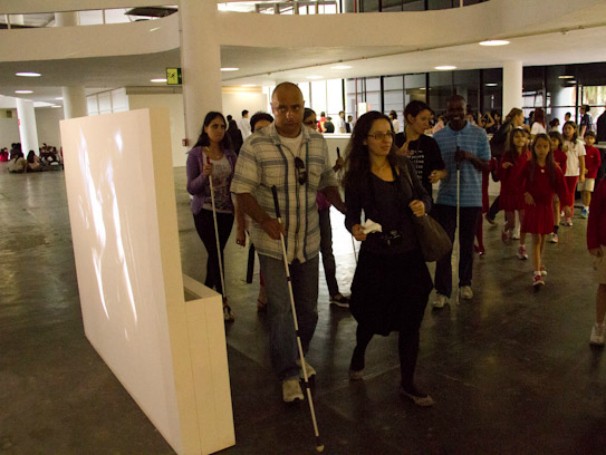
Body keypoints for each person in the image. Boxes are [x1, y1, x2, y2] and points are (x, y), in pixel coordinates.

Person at [231, 82, 345, 403]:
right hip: (273, 242)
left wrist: (343, 209)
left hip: (308, 239)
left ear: (303, 105)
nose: (289, 114)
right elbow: (242, 189)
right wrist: (264, 220)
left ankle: (297, 354)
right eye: (282, 108)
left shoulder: (317, 143)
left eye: (295, 107)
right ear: (273, 106)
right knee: (281, 310)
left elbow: (327, 182)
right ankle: (287, 373)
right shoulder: (255, 145)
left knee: (308, 310)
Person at [342, 111, 434, 406]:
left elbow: (424, 195)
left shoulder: (403, 165)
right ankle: (359, 352)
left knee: (411, 320)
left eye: (388, 133)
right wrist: (355, 228)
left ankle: (407, 381)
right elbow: (351, 215)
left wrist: (423, 205)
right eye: (378, 135)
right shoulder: (357, 175)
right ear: (364, 140)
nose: (386, 140)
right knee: (370, 317)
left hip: (409, 254)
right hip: (378, 256)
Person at [432, 95, 490, 308]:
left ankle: (465, 283)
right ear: (446, 112)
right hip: (446, 198)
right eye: (451, 109)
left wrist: (469, 156)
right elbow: (435, 166)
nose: (455, 113)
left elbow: (487, 166)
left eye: (460, 109)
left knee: (467, 244)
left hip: (471, 198)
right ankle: (442, 290)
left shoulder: (479, 134)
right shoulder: (439, 137)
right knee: (444, 245)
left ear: (467, 110)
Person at [186, 111, 240, 321]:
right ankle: (222, 300)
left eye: (222, 126)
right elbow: (191, 187)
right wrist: (204, 175)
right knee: (216, 253)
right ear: (206, 128)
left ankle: (206, 293)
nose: (219, 130)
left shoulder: (230, 155)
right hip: (205, 212)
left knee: (215, 254)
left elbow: (234, 184)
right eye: (214, 126)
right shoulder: (196, 154)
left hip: (226, 212)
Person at [303, 108, 350, 308]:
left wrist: (337, 168)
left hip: (322, 207)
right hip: (306, 210)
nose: (314, 126)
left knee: (327, 250)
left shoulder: (318, 146)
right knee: (309, 254)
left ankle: (334, 291)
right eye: (309, 122)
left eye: (315, 122)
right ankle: (307, 298)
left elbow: (323, 179)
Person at [520, 134, 569, 287]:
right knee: (536, 238)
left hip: (546, 207)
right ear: (533, 148)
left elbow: (562, 187)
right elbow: (518, 182)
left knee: (542, 236)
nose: (542, 150)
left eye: (545, 146)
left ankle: (538, 262)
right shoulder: (529, 166)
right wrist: (525, 193)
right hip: (534, 207)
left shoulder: (554, 168)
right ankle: (536, 273)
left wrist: (567, 204)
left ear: (550, 148)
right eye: (538, 146)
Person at [244, 111, 275, 313]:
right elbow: (240, 193)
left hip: (278, 213)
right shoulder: (248, 153)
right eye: (259, 130)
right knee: (265, 256)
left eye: (267, 129)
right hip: (256, 215)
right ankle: (265, 291)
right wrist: (241, 225)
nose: (263, 133)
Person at [394, 100, 446, 200]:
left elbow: (442, 170)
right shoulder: (395, 141)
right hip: (398, 201)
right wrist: (397, 157)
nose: (427, 124)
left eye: (429, 120)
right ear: (410, 118)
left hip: (423, 200)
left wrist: (438, 174)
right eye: (423, 119)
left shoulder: (430, 143)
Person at [486, 107, 525, 224]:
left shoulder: (511, 127)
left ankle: (502, 217)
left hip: (505, 159)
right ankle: (501, 217)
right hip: (503, 160)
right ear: (517, 116)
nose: (523, 119)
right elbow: (495, 140)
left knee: (507, 190)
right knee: (507, 190)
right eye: (522, 116)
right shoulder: (508, 127)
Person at [498, 128, 531, 260]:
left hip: (522, 192)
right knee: (511, 222)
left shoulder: (528, 155)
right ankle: (505, 229)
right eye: (516, 137)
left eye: (522, 137)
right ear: (512, 139)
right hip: (509, 191)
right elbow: (500, 175)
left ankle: (522, 247)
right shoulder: (507, 155)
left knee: (524, 221)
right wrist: (503, 167)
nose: (520, 140)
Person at [587, 178, 606, 345]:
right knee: (604, 286)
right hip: (604, 244)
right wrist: (592, 243)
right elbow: (594, 213)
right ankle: (599, 325)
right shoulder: (603, 184)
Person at [562, 120, 586, 226]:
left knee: (570, 194)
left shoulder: (579, 144)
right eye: (565, 128)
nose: (567, 130)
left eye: (569, 128)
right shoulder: (561, 142)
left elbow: (581, 160)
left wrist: (582, 173)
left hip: (573, 172)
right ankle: (560, 212)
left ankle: (569, 216)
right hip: (562, 173)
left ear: (574, 130)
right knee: (561, 193)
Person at [548, 131, 567, 243]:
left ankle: (555, 231)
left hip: (556, 186)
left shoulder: (562, 156)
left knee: (555, 206)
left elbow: (562, 172)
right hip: (546, 186)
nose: (552, 143)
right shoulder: (545, 154)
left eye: (554, 140)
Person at [578, 131, 602, 218]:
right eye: (587, 138)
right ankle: (584, 205)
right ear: (584, 139)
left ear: (594, 140)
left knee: (588, 191)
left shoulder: (595, 151)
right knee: (582, 191)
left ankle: (586, 208)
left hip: (591, 175)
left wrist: (589, 170)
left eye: (591, 138)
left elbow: (598, 163)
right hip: (581, 174)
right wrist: (582, 169)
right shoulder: (581, 149)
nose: (589, 140)